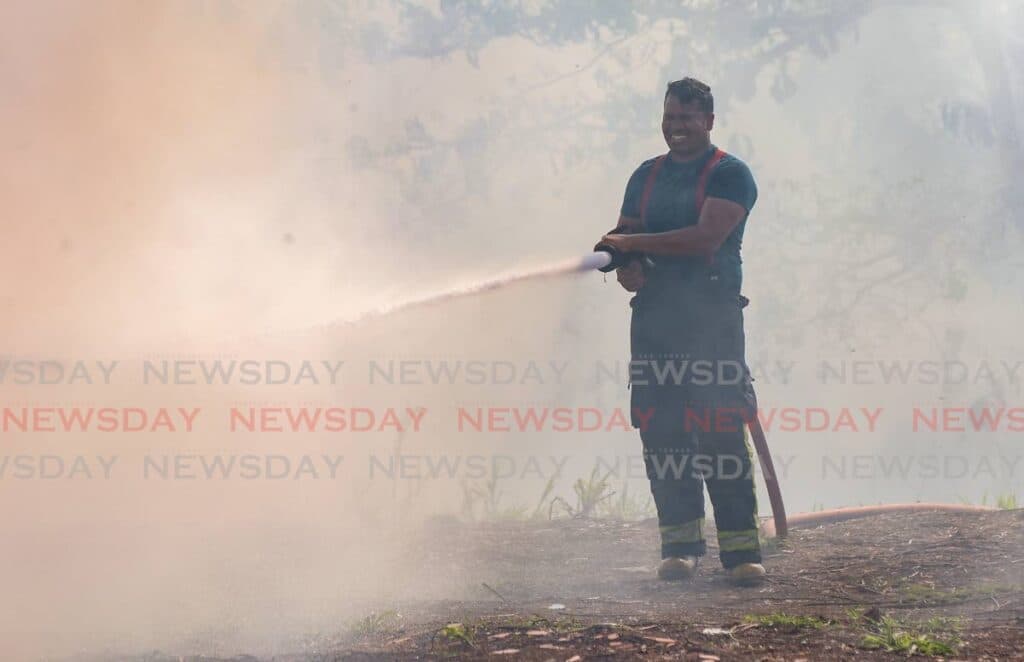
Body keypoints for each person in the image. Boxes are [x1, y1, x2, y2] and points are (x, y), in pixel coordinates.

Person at [596, 77, 765, 585]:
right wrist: (623, 261)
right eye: (670, 118)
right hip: (655, 324)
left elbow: (703, 239)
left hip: (710, 324)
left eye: (688, 119)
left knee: (720, 433)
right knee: (662, 432)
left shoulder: (731, 175)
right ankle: (680, 548)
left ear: (709, 121)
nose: (677, 128)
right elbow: (624, 233)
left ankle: (741, 555)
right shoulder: (646, 176)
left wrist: (634, 242)